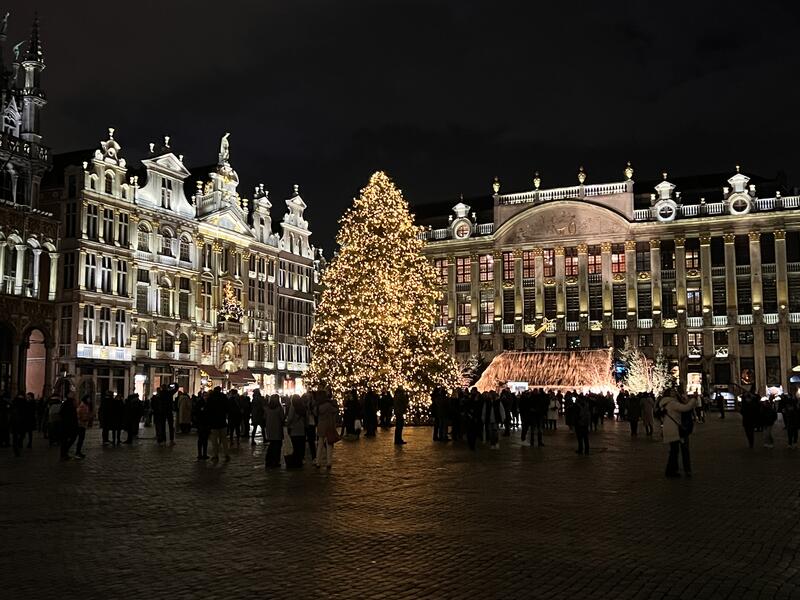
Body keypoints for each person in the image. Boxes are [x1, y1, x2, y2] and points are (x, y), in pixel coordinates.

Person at [658, 387, 697, 478]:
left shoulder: (664, 402)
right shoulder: (672, 403)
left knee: (674, 451)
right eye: (672, 392)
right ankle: (671, 471)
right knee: (674, 451)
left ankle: (671, 470)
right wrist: (693, 399)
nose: (674, 393)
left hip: (669, 427)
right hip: (674, 428)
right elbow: (685, 408)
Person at [314, 390, 338, 469]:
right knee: (329, 445)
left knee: (320, 445)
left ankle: (318, 462)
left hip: (320, 426)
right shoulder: (328, 405)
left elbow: (315, 413)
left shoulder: (317, 406)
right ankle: (329, 462)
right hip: (328, 426)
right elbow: (335, 410)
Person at [206, 386, 229, 462]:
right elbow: (227, 409)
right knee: (224, 439)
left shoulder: (211, 398)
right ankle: (226, 454)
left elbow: (208, 410)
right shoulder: (224, 397)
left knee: (214, 440)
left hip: (213, 422)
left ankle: (215, 455)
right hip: (222, 421)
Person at [285, 394, 307, 468]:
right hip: (302, 429)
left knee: (295, 446)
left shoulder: (293, 407)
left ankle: (296, 462)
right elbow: (306, 417)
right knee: (301, 446)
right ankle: (300, 461)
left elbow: (290, 418)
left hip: (294, 429)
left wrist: (288, 424)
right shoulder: (303, 407)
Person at [264, 394, 285, 469]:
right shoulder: (279, 408)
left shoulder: (267, 408)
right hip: (277, 428)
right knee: (277, 446)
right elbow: (282, 418)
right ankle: (276, 461)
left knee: (271, 445)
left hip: (269, 428)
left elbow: (265, 417)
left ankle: (268, 460)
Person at [60, 396, 79, 460]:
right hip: (68, 427)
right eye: (75, 401)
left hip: (66, 427)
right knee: (67, 440)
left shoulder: (69, 408)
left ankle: (64, 453)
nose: (76, 403)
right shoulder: (70, 409)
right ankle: (64, 454)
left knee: (65, 441)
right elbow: (72, 419)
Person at [193, 392, 210, 460]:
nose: (206, 397)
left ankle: (204, 453)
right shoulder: (200, 402)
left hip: (206, 423)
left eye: (207, 396)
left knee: (205, 439)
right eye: (205, 395)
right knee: (200, 439)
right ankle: (200, 454)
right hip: (201, 423)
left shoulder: (208, 402)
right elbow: (196, 412)